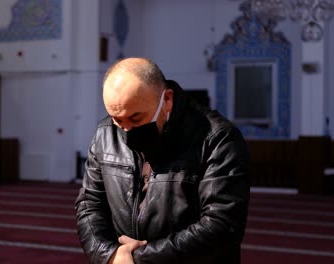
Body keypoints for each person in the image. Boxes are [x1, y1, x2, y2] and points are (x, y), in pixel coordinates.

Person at [75, 57, 250, 264]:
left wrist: (139, 259)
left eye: (136, 118)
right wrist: (110, 256)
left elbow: (222, 225)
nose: (126, 130)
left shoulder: (217, 138)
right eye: (117, 119)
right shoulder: (106, 133)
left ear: (166, 99)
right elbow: (89, 204)